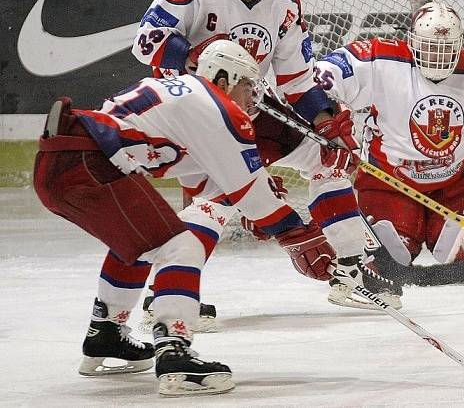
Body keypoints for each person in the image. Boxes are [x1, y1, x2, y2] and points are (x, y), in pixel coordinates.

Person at [33, 40, 337, 396]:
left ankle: (107, 335)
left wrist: (259, 195)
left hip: (65, 161)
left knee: (143, 242)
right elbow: (249, 195)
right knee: (181, 247)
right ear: (224, 77)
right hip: (86, 163)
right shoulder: (220, 107)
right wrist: (298, 233)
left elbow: (212, 179)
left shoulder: (184, 94)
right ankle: (174, 353)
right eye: (247, 86)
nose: (252, 97)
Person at [131, 0, 368, 312]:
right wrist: (191, 57)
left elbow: (296, 78)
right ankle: (164, 295)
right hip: (195, 112)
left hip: (251, 104)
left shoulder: (284, 2)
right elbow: (144, 42)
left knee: (327, 157)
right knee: (214, 201)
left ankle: (353, 271)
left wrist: (325, 122)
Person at [314, 1, 464, 308]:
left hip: (459, 181)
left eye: (445, 49)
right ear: (411, 41)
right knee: (391, 253)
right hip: (389, 179)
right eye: (429, 47)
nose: (437, 57)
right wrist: (329, 118)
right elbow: (319, 81)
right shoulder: (380, 60)